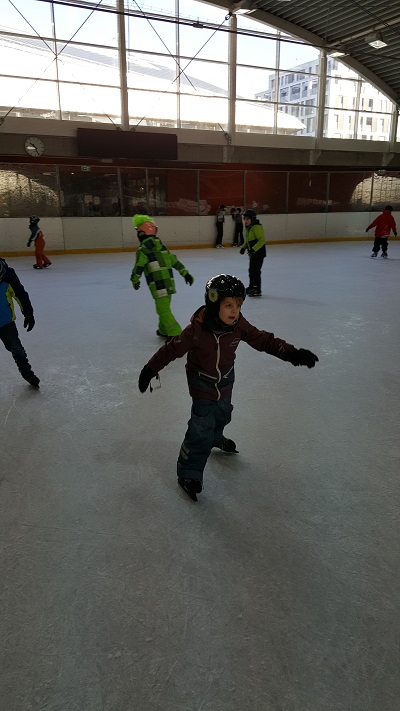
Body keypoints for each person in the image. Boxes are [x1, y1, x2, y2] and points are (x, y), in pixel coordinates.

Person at [138, 274, 318, 502]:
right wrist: (149, 370)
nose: (235, 311)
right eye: (228, 305)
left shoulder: (238, 325)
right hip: (201, 381)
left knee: (223, 413)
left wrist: (292, 353)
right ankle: (189, 471)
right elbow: (170, 350)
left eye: (238, 305)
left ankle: (215, 437)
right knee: (201, 426)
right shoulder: (196, 331)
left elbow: (264, 340)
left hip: (225, 378)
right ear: (214, 304)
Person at [130, 214, 194, 339]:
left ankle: (176, 333)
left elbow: (138, 267)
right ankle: (163, 329)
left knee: (163, 310)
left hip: (158, 285)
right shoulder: (162, 248)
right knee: (164, 307)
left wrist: (134, 280)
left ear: (141, 234)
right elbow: (174, 261)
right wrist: (185, 273)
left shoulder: (143, 250)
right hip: (169, 283)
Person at [0, 257, 40, 388]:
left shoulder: (8, 275)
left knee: (17, 350)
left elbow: (20, 295)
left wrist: (28, 314)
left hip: (5, 323)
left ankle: (27, 372)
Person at [240, 209, 266, 297]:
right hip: (253, 254)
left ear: (253, 219)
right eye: (245, 219)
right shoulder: (249, 228)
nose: (246, 221)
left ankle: (257, 289)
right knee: (251, 270)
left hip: (259, 253)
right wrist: (244, 248)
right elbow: (248, 241)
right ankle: (251, 286)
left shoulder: (256, 227)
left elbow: (261, 240)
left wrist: (253, 249)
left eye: (248, 219)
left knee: (256, 271)